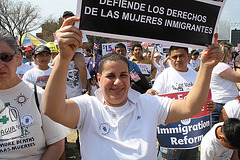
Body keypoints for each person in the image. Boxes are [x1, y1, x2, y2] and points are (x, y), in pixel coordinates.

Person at [43, 16, 222, 159]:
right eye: (110, 76)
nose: (118, 82)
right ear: (98, 78)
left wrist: (206, 68)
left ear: (130, 77)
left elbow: (190, 107)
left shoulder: (149, 104)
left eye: (123, 75)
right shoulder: (87, 106)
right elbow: (52, 110)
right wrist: (64, 58)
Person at [0, 29, 70, 159]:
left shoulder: (38, 96)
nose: (0, 65)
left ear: (17, 58)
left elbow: (57, 143)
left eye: (5, 57)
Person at [146, 46, 215, 160]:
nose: (178, 59)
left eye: (181, 55)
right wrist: (150, 94)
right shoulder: (163, 77)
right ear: (169, 59)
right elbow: (155, 97)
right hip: (170, 138)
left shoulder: (197, 76)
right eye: (174, 57)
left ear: (188, 57)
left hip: (192, 138)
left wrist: (210, 105)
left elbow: (204, 98)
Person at [210, 41, 240, 126]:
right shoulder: (221, 66)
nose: (232, 56)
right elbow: (238, 77)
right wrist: (238, 63)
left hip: (223, 103)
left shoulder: (220, 66)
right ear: (226, 53)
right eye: (231, 53)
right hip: (222, 104)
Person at [62, 10, 88, 94]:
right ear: (63, 20)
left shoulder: (79, 29)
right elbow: (57, 45)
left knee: (82, 67)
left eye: (70, 17)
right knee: (52, 66)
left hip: (77, 52)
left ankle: (84, 88)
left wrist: (73, 45)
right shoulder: (60, 30)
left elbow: (84, 43)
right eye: (66, 18)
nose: (68, 19)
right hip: (64, 53)